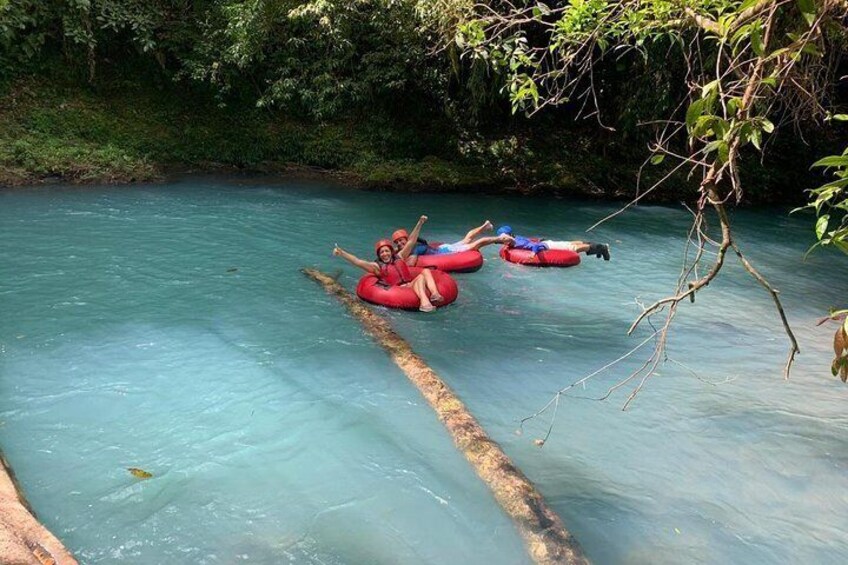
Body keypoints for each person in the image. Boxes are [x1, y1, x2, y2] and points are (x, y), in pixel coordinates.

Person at [333, 215, 444, 312]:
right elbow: (358, 261)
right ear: (379, 254)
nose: (385, 254)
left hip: (410, 283)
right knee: (420, 278)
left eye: (387, 251)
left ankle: (435, 294)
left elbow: (411, 241)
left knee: (425, 271)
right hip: (399, 289)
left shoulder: (399, 257)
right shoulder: (376, 267)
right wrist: (342, 253)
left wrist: (420, 223)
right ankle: (425, 303)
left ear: (391, 252)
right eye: (382, 252)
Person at [392, 220, 514, 257]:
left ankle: (500, 239)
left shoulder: (414, 248)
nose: (400, 243)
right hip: (443, 249)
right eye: (397, 242)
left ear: (407, 239)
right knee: (467, 239)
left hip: (446, 251)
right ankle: (485, 226)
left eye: (401, 240)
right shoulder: (416, 244)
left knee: (478, 243)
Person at [496, 225, 610, 260]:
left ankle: (602, 248)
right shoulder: (516, 239)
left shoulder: (517, 242)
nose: (501, 241)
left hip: (547, 245)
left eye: (502, 238)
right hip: (547, 243)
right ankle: (596, 247)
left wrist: (533, 253)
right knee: (570, 243)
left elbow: (536, 245)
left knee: (574, 248)